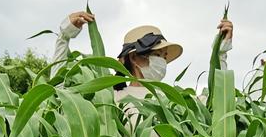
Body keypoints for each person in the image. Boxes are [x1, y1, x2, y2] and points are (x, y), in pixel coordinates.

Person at [51, 11, 234, 102]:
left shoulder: (175, 100)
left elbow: (220, 101)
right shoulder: (112, 99)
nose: (162, 61)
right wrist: (64, 36)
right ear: (135, 58)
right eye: (157, 54)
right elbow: (59, 95)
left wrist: (221, 53)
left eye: (164, 56)